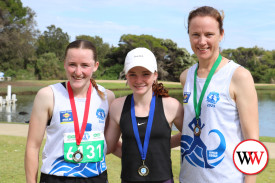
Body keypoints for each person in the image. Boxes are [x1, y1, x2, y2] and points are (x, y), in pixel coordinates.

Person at [179, 6, 259, 183]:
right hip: (188, 179)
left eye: (209, 34)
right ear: (189, 36)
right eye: (195, 35)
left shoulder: (239, 76)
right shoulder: (186, 77)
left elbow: (252, 141)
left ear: (221, 34)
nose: (201, 42)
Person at [25, 40, 115, 183]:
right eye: (72, 64)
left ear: (95, 66)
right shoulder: (48, 95)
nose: (78, 72)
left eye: (85, 65)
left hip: (96, 177)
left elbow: (109, 142)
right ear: (65, 64)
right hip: (56, 178)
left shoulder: (107, 97)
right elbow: (32, 146)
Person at [105, 47, 183, 183]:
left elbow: (190, 135)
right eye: (132, 74)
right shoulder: (117, 106)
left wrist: (161, 146)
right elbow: (110, 146)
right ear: (126, 75)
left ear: (155, 75)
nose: (139, 80)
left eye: (145, 74)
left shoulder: (172, 105)